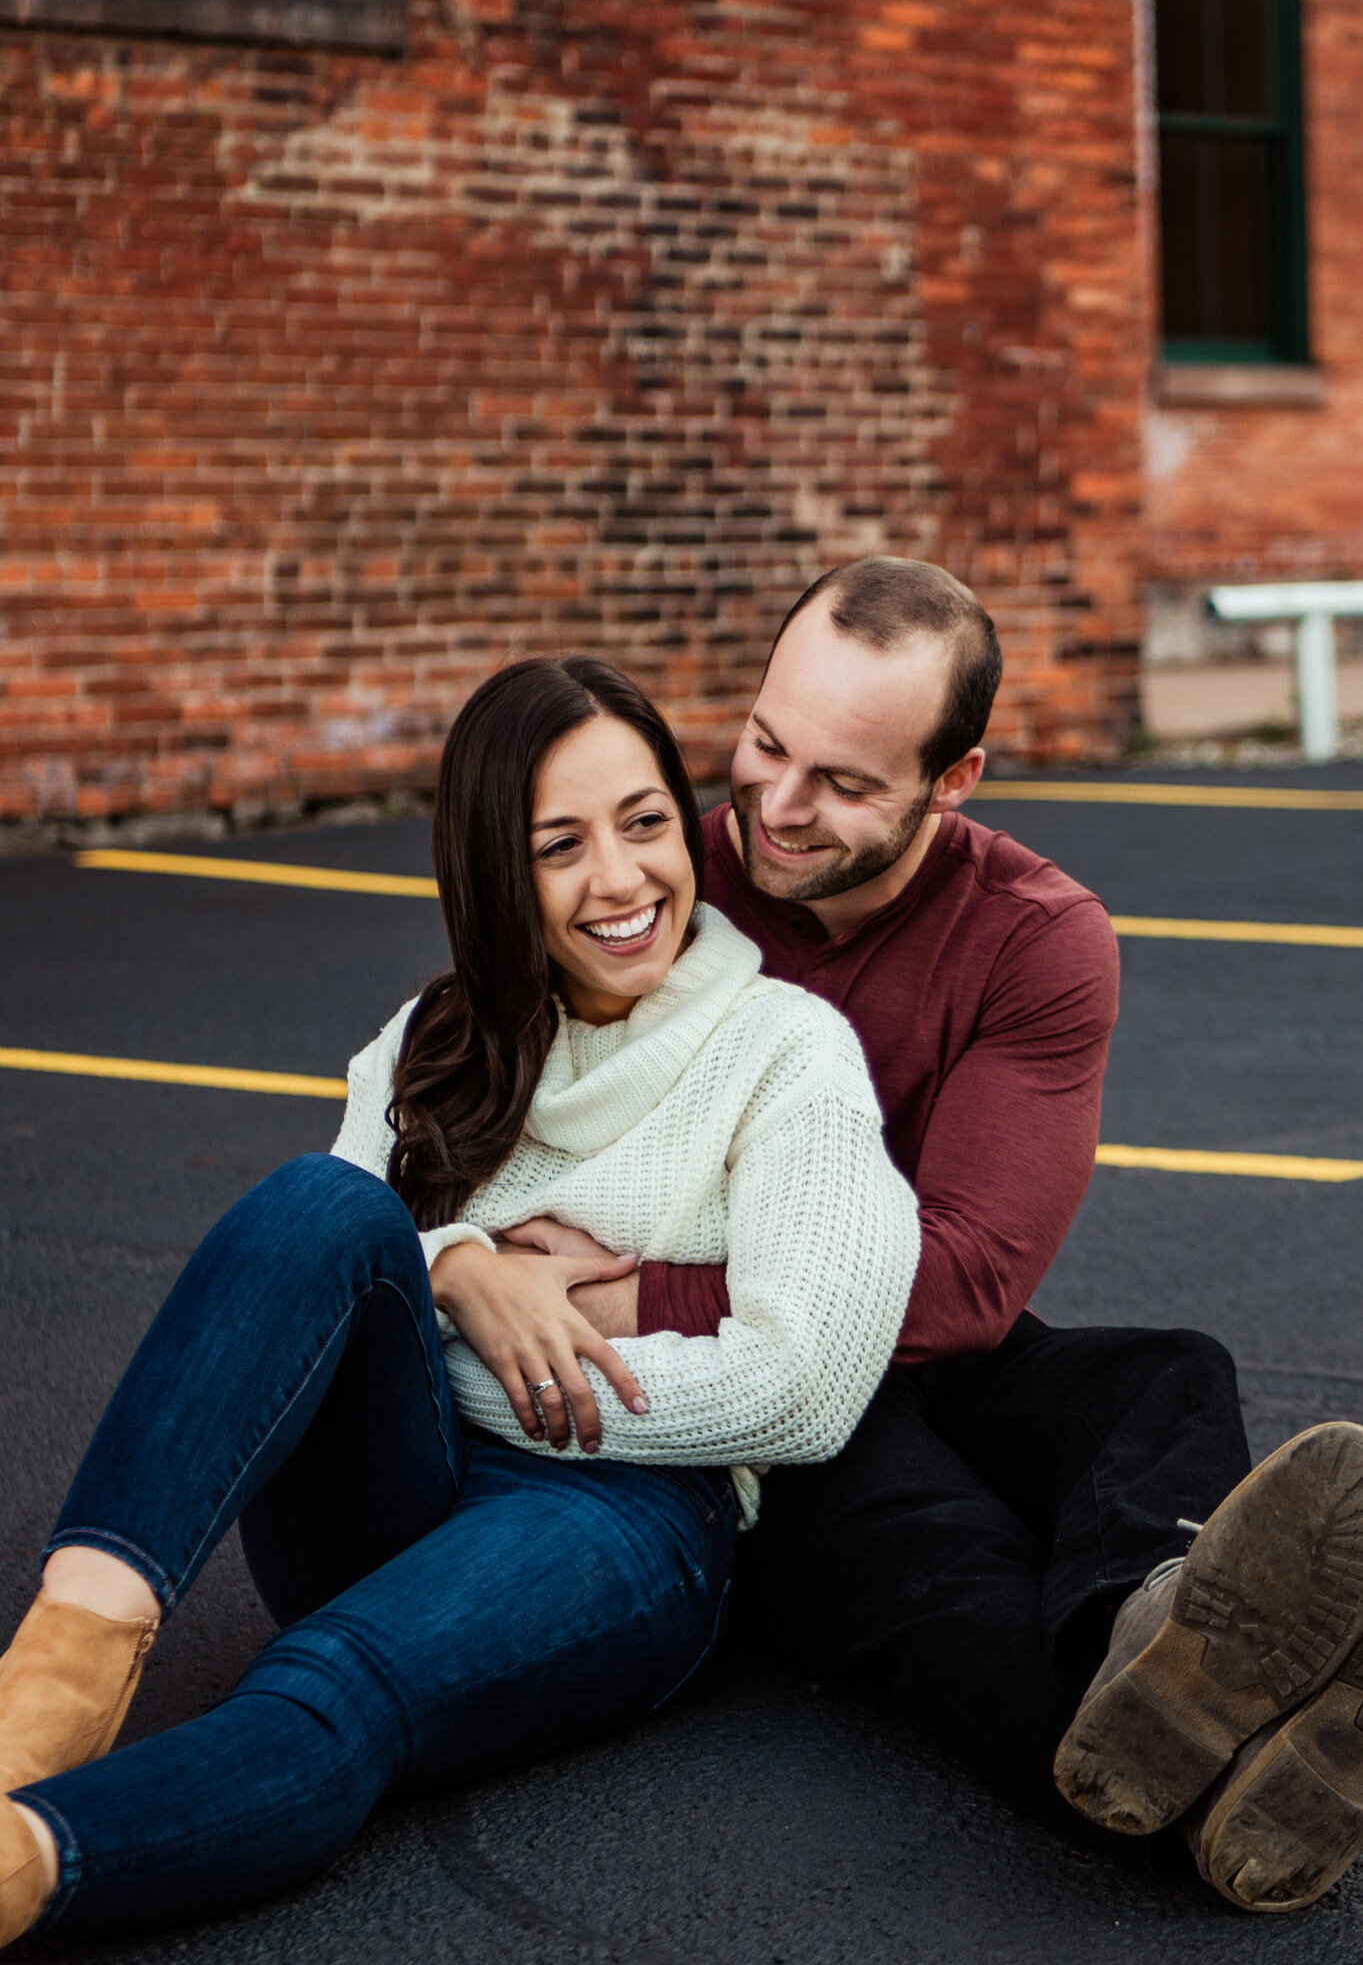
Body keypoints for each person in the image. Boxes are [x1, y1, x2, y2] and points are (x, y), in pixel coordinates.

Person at [0, 654, 920, 1950]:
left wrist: (510, 1369)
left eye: (646, 822)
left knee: (328, 1684)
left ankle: (29, 1863)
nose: (621, 879)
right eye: (560, 844)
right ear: (495, 870)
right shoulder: (430, 1037)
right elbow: (314, 1288)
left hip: (622, 1506)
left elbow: (805, 1383)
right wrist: (466, 1274)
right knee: (324, 1208)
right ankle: (60, 1673)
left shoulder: (785, 1050)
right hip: (392, 1480)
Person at [487, 557, 1363, 1914]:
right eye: (766, 744)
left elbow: (964, 1283)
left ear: (956, 781)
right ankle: (1206, 1787)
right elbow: (454, 1109)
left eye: (843, 783)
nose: (775, 808)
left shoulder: (1036, 939)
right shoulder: (654, 874)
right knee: (935, 1546)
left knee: (1161, 1372)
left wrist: (637, 1294)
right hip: (748, 1402)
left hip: (866, 1322)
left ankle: (1161, 1629)